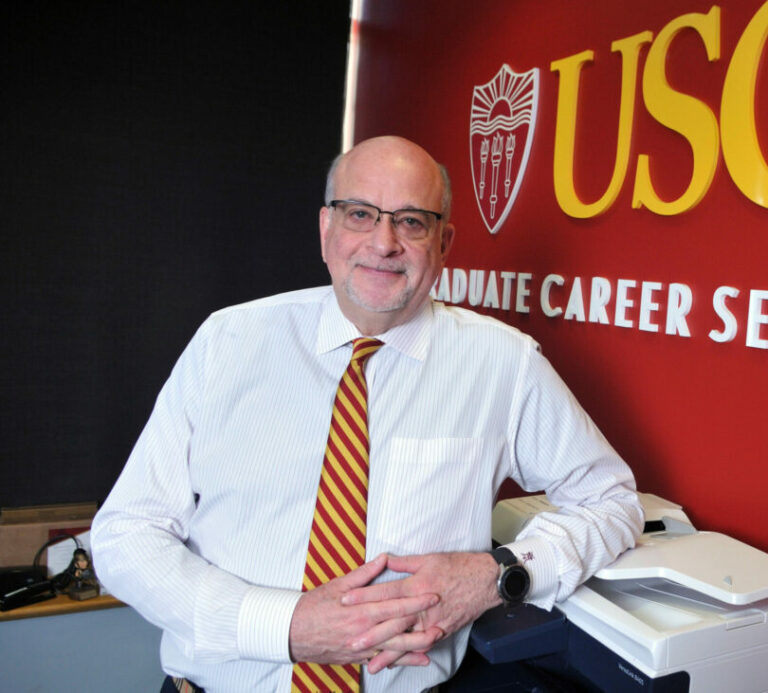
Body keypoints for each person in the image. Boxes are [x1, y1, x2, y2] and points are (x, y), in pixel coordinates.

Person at [91, 135, 643, 693]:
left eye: (412, 222)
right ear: (326, 229)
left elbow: (612, 502)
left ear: (444, 243)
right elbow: (127, 533)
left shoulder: (505, 363)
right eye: (360, 214)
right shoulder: (227, 341)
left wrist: (497, 574)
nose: (384, 243)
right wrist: (283, 626)